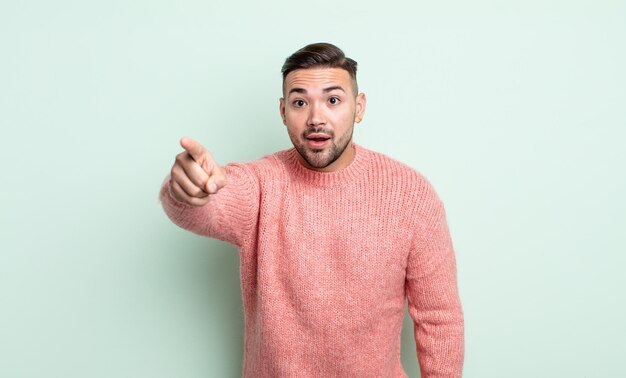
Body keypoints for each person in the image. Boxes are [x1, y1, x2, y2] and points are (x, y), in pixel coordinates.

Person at [159, 42, 464, 377]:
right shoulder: (261, 184)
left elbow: (439, 318)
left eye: (333, 100)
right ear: (282, 111)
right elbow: (206, 207)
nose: (316, 118)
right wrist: (187, 188)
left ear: (359, 107)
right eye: (300, 102)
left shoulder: (410, 194)